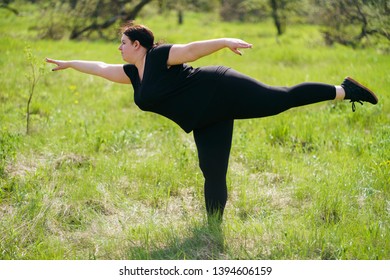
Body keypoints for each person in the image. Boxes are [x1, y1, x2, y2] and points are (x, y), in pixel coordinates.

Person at [46, 23, 378, 223]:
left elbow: (191, 50)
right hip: (205, 116)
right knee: (212, 169)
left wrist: (224, 41)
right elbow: (102, 68)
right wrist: (71, 63)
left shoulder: (159, 57)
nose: (117, 48)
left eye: (121, 42)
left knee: (279, 99)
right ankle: (213, 225)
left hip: (221, 88)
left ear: (137, 45)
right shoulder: (134, 73)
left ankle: (345, 90)